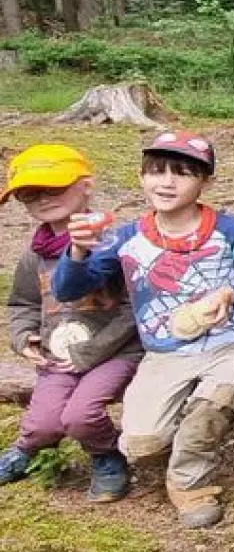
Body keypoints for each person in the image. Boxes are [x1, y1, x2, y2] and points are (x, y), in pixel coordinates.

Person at [52, 130, 234, 529]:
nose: (167, 182)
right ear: (141, 176)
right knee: (141, 444)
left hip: (227, 343)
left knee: (214, 402)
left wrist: (231, 295)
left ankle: (188, 483)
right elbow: (69, 289)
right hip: (163, 351)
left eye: (182, 173)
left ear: (206, 182)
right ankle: (177, 429)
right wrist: (78, 250)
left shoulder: (231, 230)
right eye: (157, 171)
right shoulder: (126, 238)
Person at [0, 145, 140, 502]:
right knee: (43, 423)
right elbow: (22, 304)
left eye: (55, 188)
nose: (43, 200)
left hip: (114, 353)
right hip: (57, 356)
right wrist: (24, 338)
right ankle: (27, 448)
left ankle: (106, 455)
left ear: (86, 185)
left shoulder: (115, 242)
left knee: (81, 414)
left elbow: (136, 308)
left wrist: (91, 352)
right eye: (30, 195)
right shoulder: (34, 256)